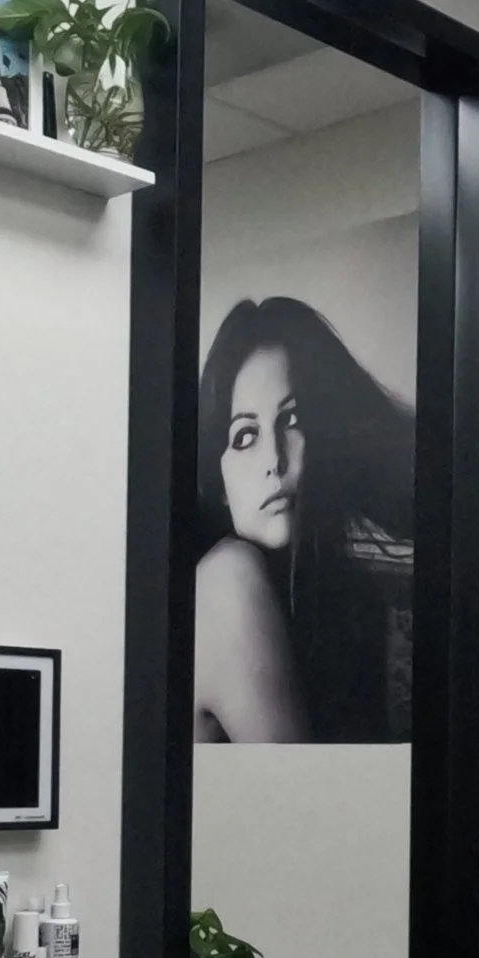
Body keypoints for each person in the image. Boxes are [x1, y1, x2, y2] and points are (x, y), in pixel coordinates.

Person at [193, 297, 414, 742]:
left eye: (291, 419)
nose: (273, 459)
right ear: (216, 481)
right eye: (245, 435)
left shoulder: (329, 584)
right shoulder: (226, 578)